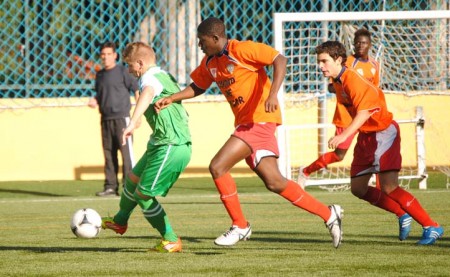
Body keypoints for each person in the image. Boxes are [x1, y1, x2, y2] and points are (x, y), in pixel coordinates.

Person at [154, 17, 344, 248]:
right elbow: (198, 87)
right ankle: (329, 214)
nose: (199, 45)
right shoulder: (209, 62)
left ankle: (240, 225)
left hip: (259, 121)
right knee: (275, 183)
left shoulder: (242, 50)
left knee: (218, 166)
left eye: (202, 41)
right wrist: (172, 98)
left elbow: (279, 59)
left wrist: (273, 94)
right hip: (247, 124)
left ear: (215, 38)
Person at [316, 40, 443, 245]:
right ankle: (402, 214)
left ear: (338, 60)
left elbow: (365, 112)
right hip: (367, 136)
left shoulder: (353, 80)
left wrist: (344, 135)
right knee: (358, 188)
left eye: (324, 61)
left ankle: (431, 226)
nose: (320, 66)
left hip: (383, 133)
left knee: (389, 187)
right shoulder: (338, 82)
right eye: (319, 61)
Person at [301, 29, 413, 241]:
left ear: (370, 44)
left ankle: (411, 215)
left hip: (369, 121)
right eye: (358, 42)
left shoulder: (373, 65)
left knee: (376, 175)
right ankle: (306, 172)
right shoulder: (346, 66)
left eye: (365, 43)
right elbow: (341, 88)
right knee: (341, 155)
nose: (361, 46)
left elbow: (371, 92)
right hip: (348, 118)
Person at [101, 42, 192, 253]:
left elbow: (148, 93)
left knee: (143, 195)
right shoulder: (162, 74)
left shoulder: (149, 78)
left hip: (171, 145)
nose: (129, 70)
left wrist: (133, 122)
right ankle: (120, 221)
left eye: (130, 65)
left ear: (140, 63)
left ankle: (171, 239)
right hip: (159, 143)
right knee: (132, 179)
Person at [88, 42, 140, 197]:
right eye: (103, 54)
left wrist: (137, 115)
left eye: (109, 54)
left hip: (122, 119)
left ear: (115, 55)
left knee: (126, 154)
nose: (105, 57)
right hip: (105, 119)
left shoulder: (123, 71)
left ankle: (129, 187)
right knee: (109, 154)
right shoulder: (100, 75)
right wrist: (95, 100)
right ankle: (110, 186)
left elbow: (137, 89)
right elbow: (101, 93)